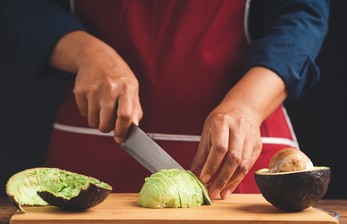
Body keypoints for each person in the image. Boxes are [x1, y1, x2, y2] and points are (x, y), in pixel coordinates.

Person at [0, 0, 329, 199]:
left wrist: (247, 105)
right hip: (93, 146)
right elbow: (26, 7)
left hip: (241, 160)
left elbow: (303, 11)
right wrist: (87, 53)